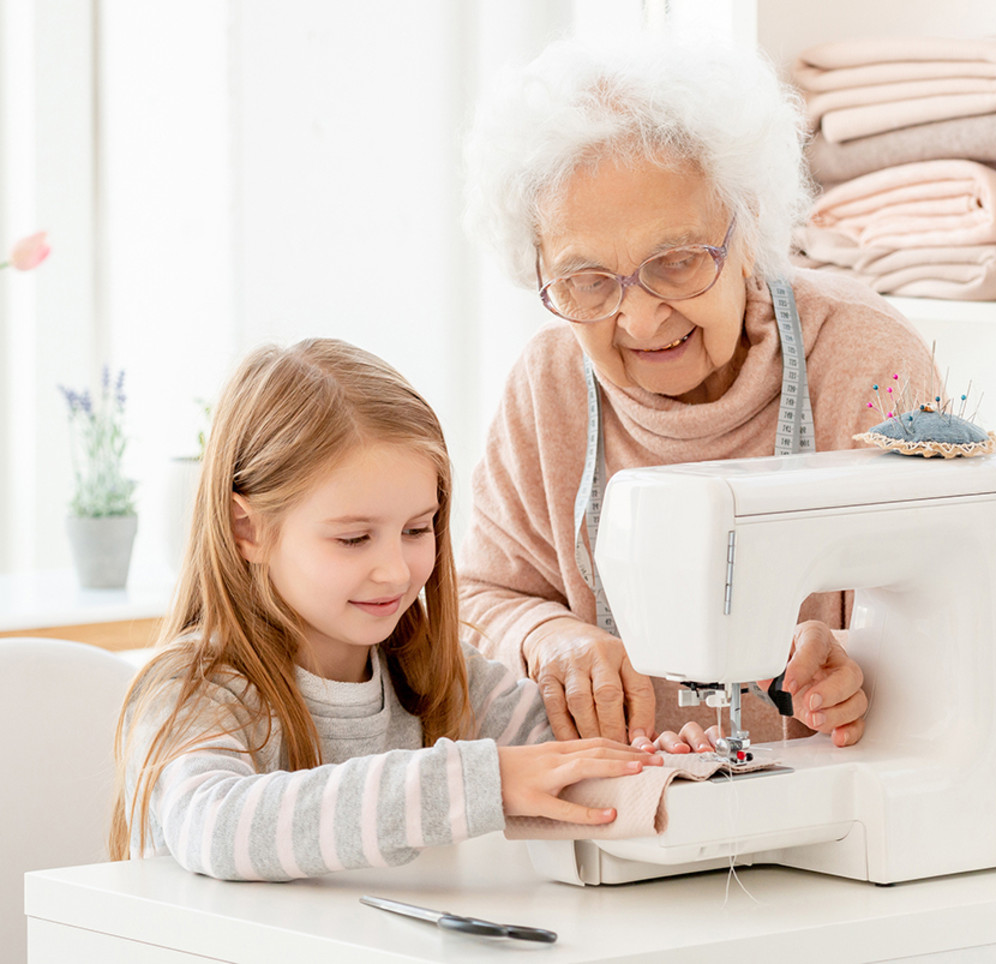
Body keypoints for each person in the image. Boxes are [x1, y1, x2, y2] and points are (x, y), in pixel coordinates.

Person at [460, 38, 935, 753]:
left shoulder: (866, 361)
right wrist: (547, 634)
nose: (640, 318)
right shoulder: (547, 386)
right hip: (628, 796)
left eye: (677, 262)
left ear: (749, 226)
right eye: (588, 281)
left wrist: (858, 659)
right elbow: (480, 597)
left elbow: (937, 605)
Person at [109, 338, 659, 882]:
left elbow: (567, 761)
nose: (395, 572)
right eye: (354, 539)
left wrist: (658, 765)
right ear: (246, 530)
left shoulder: (441, 675)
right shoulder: (191, 688)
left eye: (417, 529)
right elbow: (216, 827)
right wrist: (480, 781)